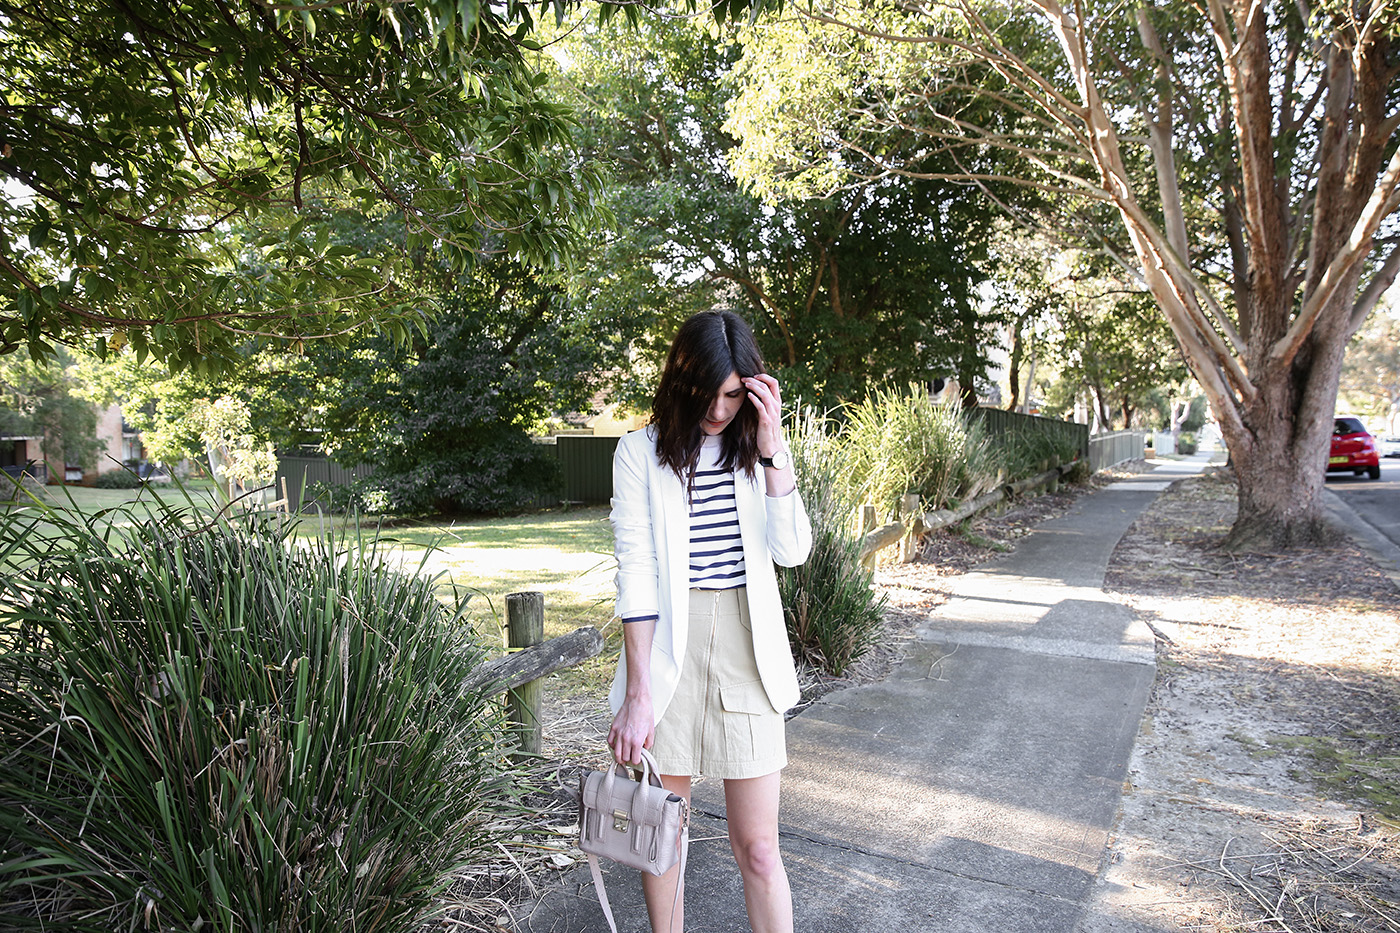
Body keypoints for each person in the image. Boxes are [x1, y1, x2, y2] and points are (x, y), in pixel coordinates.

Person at [606, 310, 812, 933]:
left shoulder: (759, 450)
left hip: (749, 647)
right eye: (706, 395)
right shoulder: (640, 453)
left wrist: (775, 452)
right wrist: (638, 695)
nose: (719, 411)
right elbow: (636, 574)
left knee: (759, 849)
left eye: (731, 395)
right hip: (670, 644)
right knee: (663, 839)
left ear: (750, 388)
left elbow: (793, 551)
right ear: (681, 383)